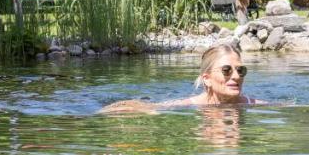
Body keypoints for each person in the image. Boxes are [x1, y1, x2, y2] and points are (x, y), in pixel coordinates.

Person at [100, 42, 260, 113]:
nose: (236, 76)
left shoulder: (250, 104)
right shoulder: (191, 105)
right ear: (207, 78)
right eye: (226, 70)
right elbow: (137, 106)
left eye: (241, 70)